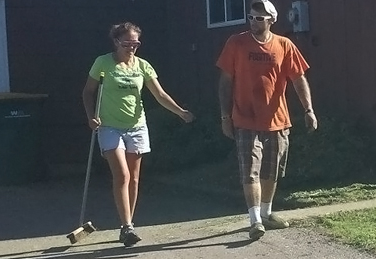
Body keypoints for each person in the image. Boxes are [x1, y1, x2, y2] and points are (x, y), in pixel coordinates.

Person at [82, 21, 195, 248]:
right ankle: (127, 226)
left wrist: (180, 112)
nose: (132, 47)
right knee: (122, 175)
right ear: (116, 42)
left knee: (134, 178)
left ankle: (128, 225)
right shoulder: (102, 63)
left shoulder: (143, 66)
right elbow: (88, 92)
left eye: (136, 43)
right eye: (127, 43)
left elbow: (159, 94)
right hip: (109, 126)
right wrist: (90, 116)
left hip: (136, 126)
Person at [216, 0, 315, 240]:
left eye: (259, 18)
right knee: (250, 171)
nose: (253, 22)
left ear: (271, 20)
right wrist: (225, 115)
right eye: (250, 17)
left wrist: (308, 109)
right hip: (245, 118)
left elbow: (298, 79)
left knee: (271, 171)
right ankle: (255, 220)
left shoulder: (284, 45)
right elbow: (225, 81)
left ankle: (267, 213)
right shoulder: (236, 43)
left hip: (277, 120)